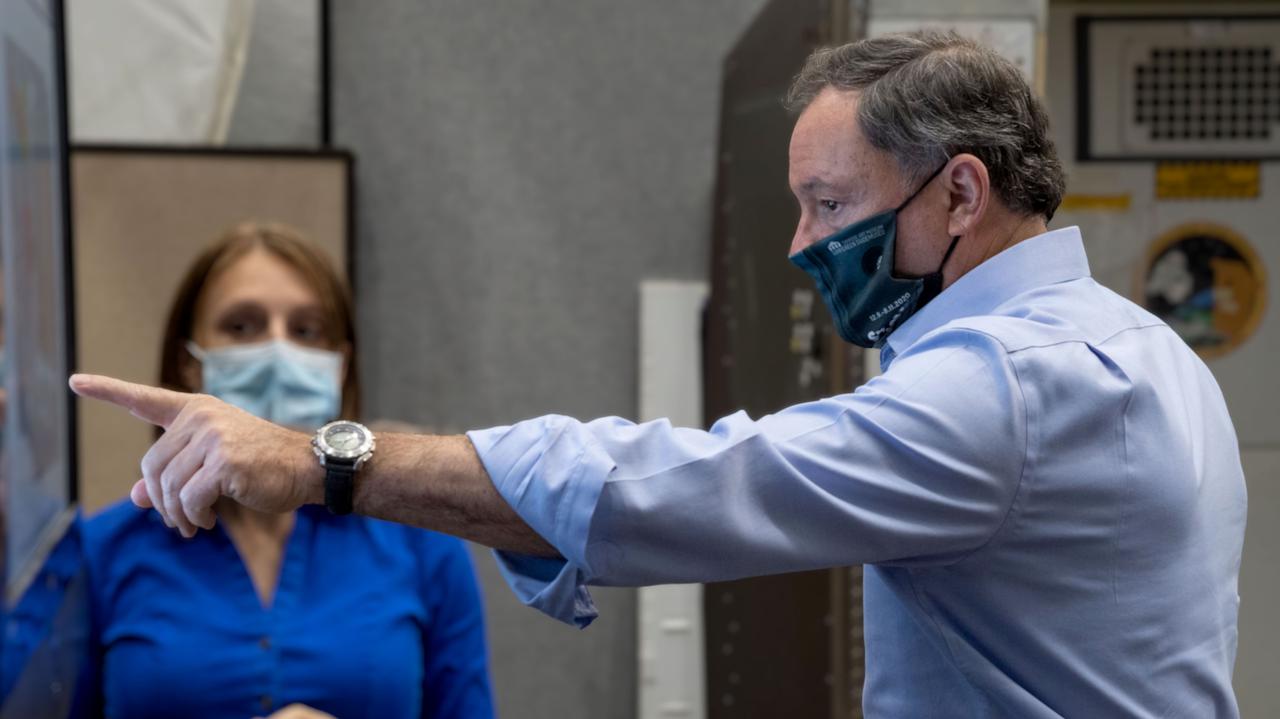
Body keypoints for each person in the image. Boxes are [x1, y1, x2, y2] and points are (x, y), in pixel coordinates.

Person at [71, 32, 1247, 717]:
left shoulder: (1006, 388)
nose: (800, 244)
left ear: (959, 192)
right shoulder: (1145, 349)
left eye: (827, 204)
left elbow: (686, 487)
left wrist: (329, 457)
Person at [77, 222, 494, 719]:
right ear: (190, 362)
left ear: (339, 366)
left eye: (306, 331)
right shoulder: (99, 553)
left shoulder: (423, 543)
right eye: (241, 327)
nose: (279, 352)